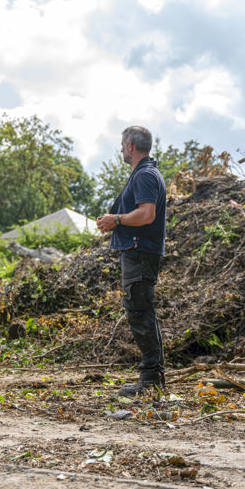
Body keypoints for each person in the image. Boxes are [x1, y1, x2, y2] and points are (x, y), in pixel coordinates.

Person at [96, 126, 167, 395]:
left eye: (122, 144)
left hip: (140, 251)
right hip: (139, 251)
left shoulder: (145, 175)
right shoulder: (145, 173)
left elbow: (146, 214)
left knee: (140, 312)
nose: (121, 149)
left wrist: (116, 219)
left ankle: (150, 381)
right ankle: (152, 378)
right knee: (141, 311)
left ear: (130, 146)